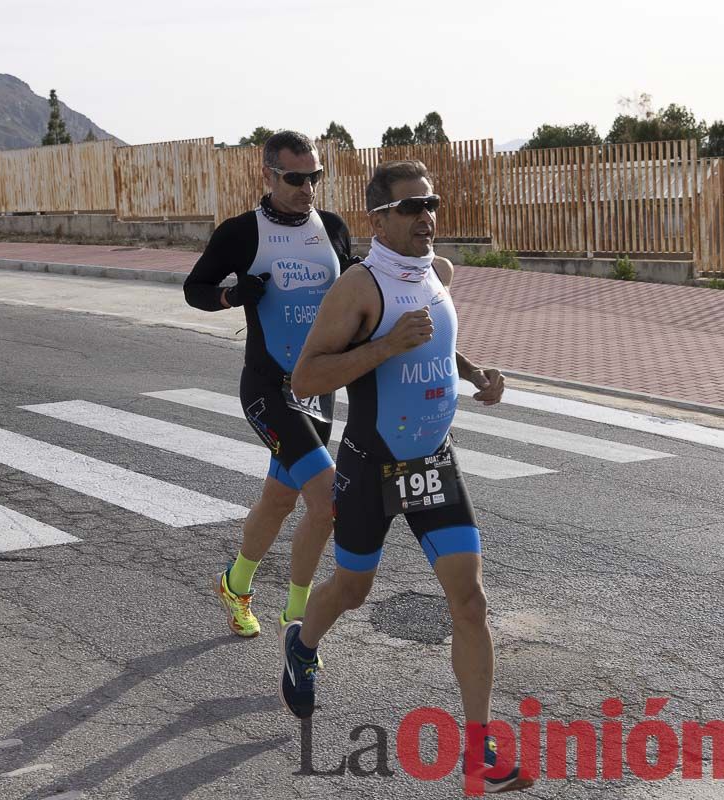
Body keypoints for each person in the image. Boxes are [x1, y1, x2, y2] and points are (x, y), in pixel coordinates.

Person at [283, 160, 534, 793]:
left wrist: (477, 375)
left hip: (433, 463)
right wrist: (385, 347)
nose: (428, 217)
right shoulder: (357, 289)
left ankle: (478, 751)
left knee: (470, 602)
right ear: (380, 219)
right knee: (352, 588)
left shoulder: (437, 274)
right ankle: (303, 645)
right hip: (371, 468)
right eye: (413, 207)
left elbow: (435, 341)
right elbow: (305, 379)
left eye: (433, 205)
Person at [183, 130, 354, 643]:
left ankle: (235, 584)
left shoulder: (333, 228)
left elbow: (355, 293)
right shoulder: (242, 232)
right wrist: (233, 294)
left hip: (318, 389)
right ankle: (296, 620)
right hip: (268, 388)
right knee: (328, 501)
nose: (308, 188)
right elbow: (195, 289)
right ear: (268, 174)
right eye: (295, 178)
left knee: (281, 503)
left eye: (315, 177)